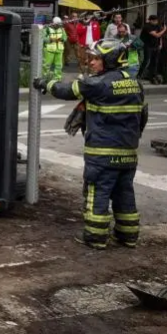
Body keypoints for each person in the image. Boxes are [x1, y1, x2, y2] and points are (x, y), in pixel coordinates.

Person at [32, 38, 148, 250]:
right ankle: (128, 236)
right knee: (124, 193)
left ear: (109, 59)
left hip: (101, 154)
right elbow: (143, 115)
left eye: (96, 59)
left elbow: (65, 90)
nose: (91, 63)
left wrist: (43, 83)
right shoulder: (135, 84)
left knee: (97, 194)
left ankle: (95, 237)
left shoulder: (97, 84)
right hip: (128, 154)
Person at [138, 15, 167, 84]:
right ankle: (139, 74)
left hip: (156, 46)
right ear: (151, 20)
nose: (156, 22)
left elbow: (160, 36)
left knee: (155, 61)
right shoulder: (147, 26)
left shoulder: (157, 26)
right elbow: (156, 35)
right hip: (148, 46)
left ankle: (152, 75)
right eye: (155, 21)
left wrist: (160, 44)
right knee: (146, 60)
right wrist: (164, 30)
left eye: (157, 21)